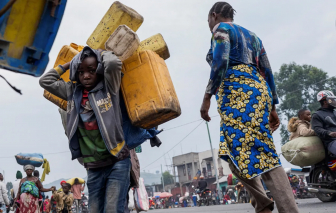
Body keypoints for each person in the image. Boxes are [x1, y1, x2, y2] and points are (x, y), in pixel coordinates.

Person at [200, 2, 299, 213]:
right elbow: (267, 70)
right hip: (258, 91)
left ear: (214, 15)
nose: (209, 24)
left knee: (263, 151)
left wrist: (207, 96)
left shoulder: (221, 29)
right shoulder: (253, 37)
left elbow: (220, 60)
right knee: (229, 151)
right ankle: (262, 202)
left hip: (238, 93)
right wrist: (272, 105)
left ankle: (288, 210)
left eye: (208, 20)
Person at [40, 47, 131, 213]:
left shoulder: (109, 87)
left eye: (91, 70)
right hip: (93, 167)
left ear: (99, 70)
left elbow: (112, 63)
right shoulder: (71, 92)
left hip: (117, 161)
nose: (86, 76)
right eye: (81, 72)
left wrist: (100, 53)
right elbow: (45, 81)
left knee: (112, 209)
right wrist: (70, 63)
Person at [311, 90, 336, 159]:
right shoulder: (317, 115)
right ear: (325, 102)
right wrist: (329, 133)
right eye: (331, 100)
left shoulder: (334, 112)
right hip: (331, 141)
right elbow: (317, 129)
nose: (334, 101)